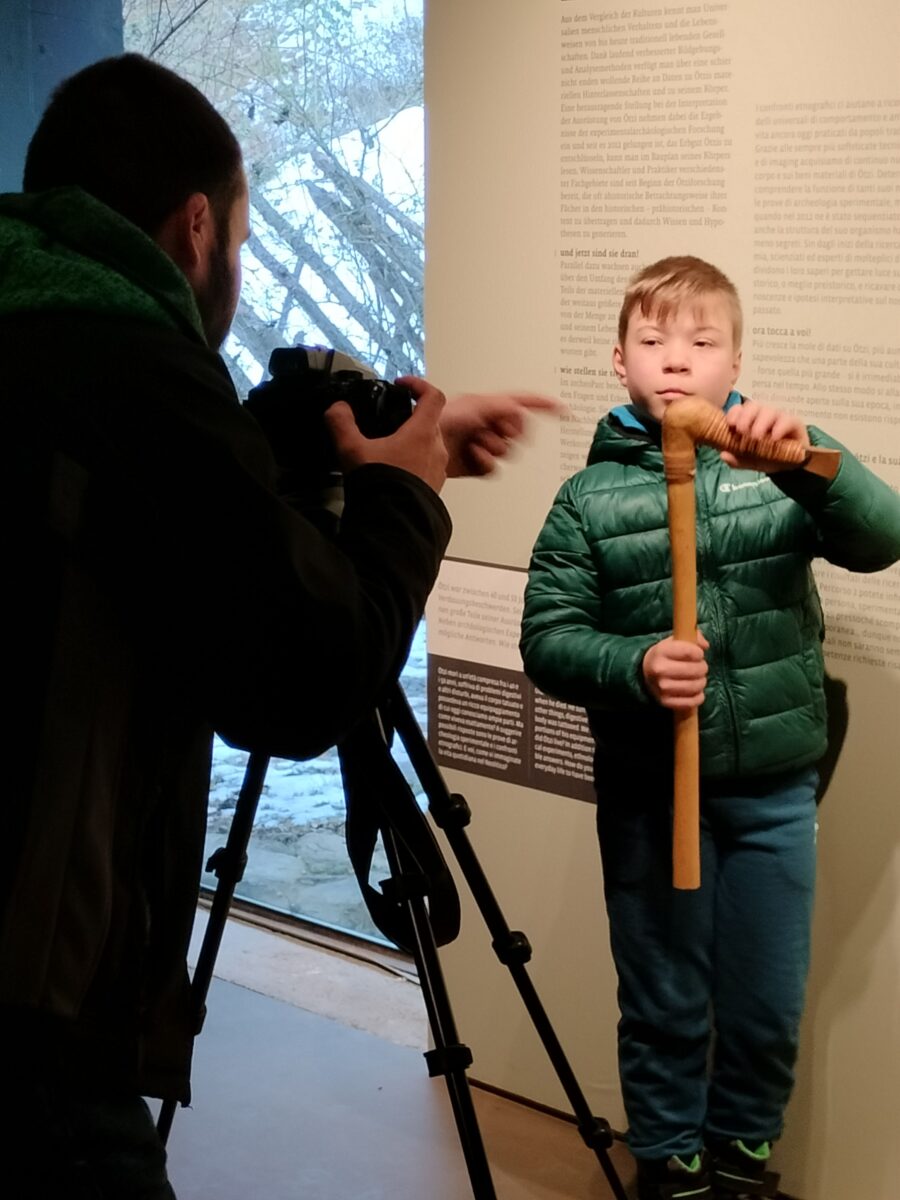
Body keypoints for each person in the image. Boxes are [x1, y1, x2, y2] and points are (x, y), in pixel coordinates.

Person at [0, 53, 555, 1198]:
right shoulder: (134, 373)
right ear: (195, 225)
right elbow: (306, 676)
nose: (238, 268)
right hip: (35, 1016)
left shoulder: (41, 330)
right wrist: (405, 497)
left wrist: (347, 444)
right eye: (244, 242)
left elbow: (149, 512)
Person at [520, 256, 900, 1200]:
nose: (676, 361)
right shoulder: (587, 501)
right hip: (655, 793)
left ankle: (741, 1159)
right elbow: (549, 640)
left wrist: (815, 460)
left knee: (767, 1002)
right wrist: (635, 665)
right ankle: (672, 1163)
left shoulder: (779, 471)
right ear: (619, 362)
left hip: (774, 788)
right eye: (653, 342)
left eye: (701, 342)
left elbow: (882, 537)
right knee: (665, 995)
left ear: (737, 358)